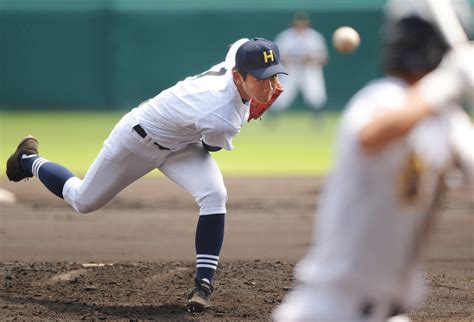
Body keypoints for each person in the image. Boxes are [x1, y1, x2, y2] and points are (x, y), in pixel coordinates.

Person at [6, 37, 287, 313]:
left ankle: (203, 284)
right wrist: (248, 111)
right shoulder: (222, 115)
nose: (271, 86)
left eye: (274, 76)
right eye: (261, 79)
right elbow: (210, 145)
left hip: (180, 144)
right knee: (82, 201)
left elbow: (240, 44)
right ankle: (28, 159)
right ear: (238, 77)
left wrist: (254, 79)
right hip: (137, 140)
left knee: (214, 194)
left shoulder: (239, 56)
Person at [273, 3, 473, 321]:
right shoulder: (380, 98)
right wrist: (445, 86)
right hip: (330, 309)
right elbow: (373, 136)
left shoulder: (450, 123)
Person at [272, 12, 328, 114]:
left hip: (310, 69)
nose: (300, 24)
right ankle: (272, 116)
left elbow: (324, 58)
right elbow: (275, 56)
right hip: (291, 69)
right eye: (298, 22)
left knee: (315, 94)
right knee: (283, 95)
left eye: (302, 22)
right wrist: (287, 59)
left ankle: (318, 117)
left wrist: (312, 59)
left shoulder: (315, 37)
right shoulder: (285, 36)